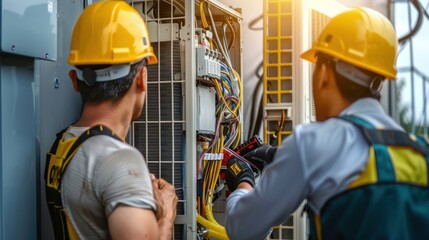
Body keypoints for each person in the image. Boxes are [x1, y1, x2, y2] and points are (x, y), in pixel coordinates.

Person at [224, 7, 429, 240]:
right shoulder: (421, 153)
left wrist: (244, 182)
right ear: (378, 81)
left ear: (323, 74)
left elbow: (242, 228)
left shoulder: (311, 143)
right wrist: (278, 155)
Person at [44, 1, 177, 239]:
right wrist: (166, 216)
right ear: (142, 79)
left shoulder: (63, 145)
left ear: (74, 80)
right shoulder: (118, 161)